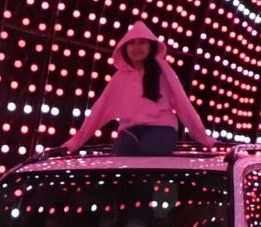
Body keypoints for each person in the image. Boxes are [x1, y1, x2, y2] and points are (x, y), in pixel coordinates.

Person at [62, 21, 215, 155]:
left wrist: (204, 137)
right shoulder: (120, 77)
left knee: (146, 159)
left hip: (161, 129)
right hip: (130, 131)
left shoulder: (162, 70)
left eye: (142, 42)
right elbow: (99, 110)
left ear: (150, 46)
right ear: (124, 47)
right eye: (132, 43)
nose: (136, 47)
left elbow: (182, 103)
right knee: (118, 169)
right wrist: (75, 143)